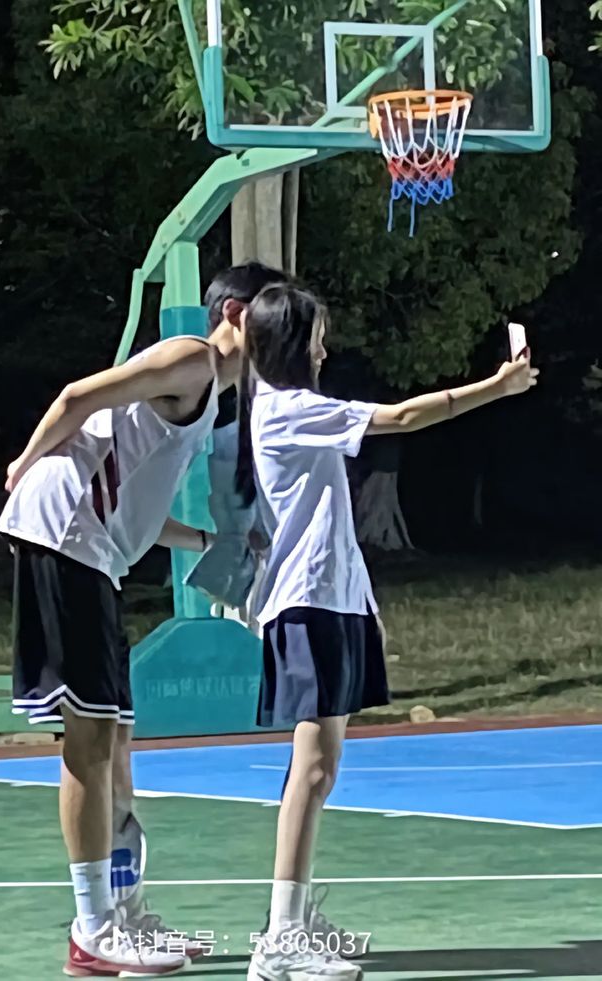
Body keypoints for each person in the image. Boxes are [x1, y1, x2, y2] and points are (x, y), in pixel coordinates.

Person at [0, 261, 288, 978]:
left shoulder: (210, 399)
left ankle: (123, 912)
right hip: (61, 535)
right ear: (240, 317)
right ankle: (93, 925)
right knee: (90, 739)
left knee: (116, 742)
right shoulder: (188, 357)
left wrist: (212, 543)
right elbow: (76, 395)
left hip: (94, 551)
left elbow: (142, 510)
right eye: (278, 313)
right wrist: (24, 462)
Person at [238, 282, 538, 981]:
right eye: (316, 333)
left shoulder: (296, 408)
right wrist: (497, 385)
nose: (324, 344)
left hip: (334, 599)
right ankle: (280, 940)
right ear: (292, 342)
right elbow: (401, 416)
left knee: (320, 771)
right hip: (306, 603)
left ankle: (294, 919)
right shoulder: (289, 411)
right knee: (311, 770)